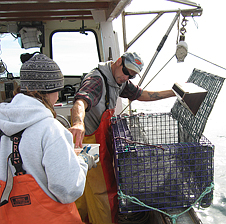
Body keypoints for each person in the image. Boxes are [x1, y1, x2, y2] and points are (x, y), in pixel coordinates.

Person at [68, 52, 175, 224]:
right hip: (89, 143)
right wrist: (78, 122)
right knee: (103, 191)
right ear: (118, 62)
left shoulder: (119, 80)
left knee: (85, 188)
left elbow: (141, 94)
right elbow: (80, 102)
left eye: (131, 75)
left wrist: (174, 92)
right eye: (126, 72)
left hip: (97, 141)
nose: (127, 77)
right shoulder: (97, 79)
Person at [0, 53, 97, 223]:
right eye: (57, 91)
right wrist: (82, 161)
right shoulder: (51, 129)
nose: (58, 97)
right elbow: (68, 189)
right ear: (44, 92)